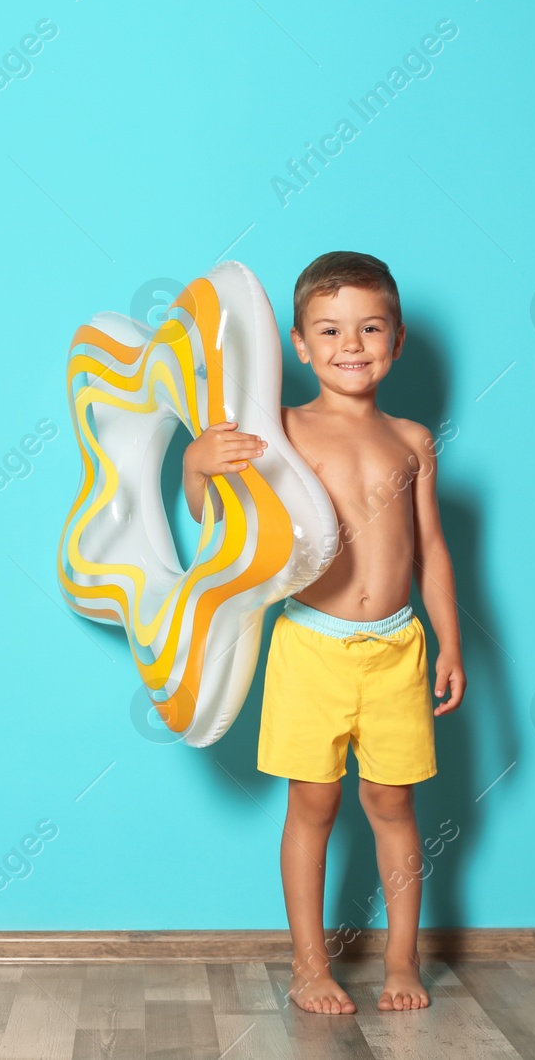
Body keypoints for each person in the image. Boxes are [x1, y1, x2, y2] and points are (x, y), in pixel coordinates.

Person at [183, 250, 466, 1014]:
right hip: (310, 645)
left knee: (392, 803)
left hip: (399, 648)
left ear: (397, 341)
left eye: (370, 328)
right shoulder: (276, 430)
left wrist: (450, 642)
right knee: (313, 805)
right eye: (330, 330)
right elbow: (219, 523)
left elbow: (432, 548)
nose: (352, 345)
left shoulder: (411, 442)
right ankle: (311, 966)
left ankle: (402, 961)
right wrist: (199, 464)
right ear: (300, 346)